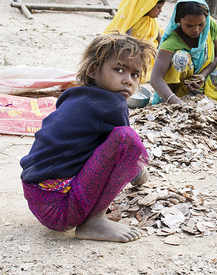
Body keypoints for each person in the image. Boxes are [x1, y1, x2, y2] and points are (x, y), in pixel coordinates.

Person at [20, 33, 155, 243]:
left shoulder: (76, 95)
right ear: (93, 70)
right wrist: (139, 173)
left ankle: (90, 216)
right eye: (119, 70)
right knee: (127, 138)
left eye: (135, 75)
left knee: (116, 139)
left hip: (38, 198)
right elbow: (128, 151)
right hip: (59, 208)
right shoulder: (113, 104)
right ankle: (94, 222)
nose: (128, 80)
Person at [150, 0, 217, 108]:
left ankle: (215, 103)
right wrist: (177, 102)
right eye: (189, 25)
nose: (196, 30)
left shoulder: (210, 26)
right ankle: (184, 99)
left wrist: (203, 76)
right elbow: (155, 78)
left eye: (201, 24)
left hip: (206, 81)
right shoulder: (171, 42)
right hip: (180, 91)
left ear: (206, 19)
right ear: (179, 21)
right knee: (181, 58)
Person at [104, 0, 167, 82]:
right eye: (158, 7)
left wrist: (161, 52)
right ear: (147, 4)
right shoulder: (130, 19)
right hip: (135, 54)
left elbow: (159, 37)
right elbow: (125, 43)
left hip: (150, 54)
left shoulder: (151, 20)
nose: (160, 11)